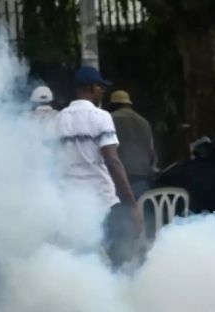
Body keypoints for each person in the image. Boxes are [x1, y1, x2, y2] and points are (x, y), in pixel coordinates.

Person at [55, 67, 140, 267]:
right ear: (91, 88)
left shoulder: (59, 119)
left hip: (71, 201)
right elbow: (112, 160)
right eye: (101, 87)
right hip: (102, 201)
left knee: (81, 256)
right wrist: (131, 202)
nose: (103, 91)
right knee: (117, 256)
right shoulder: (100, 117)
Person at [109, 90, 156, 199]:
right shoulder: (144, 122)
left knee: (121, 214)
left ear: (113, 104)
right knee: (142, 213)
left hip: (120, 180)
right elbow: (152, 153)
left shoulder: (109, 119)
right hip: (143, 179)